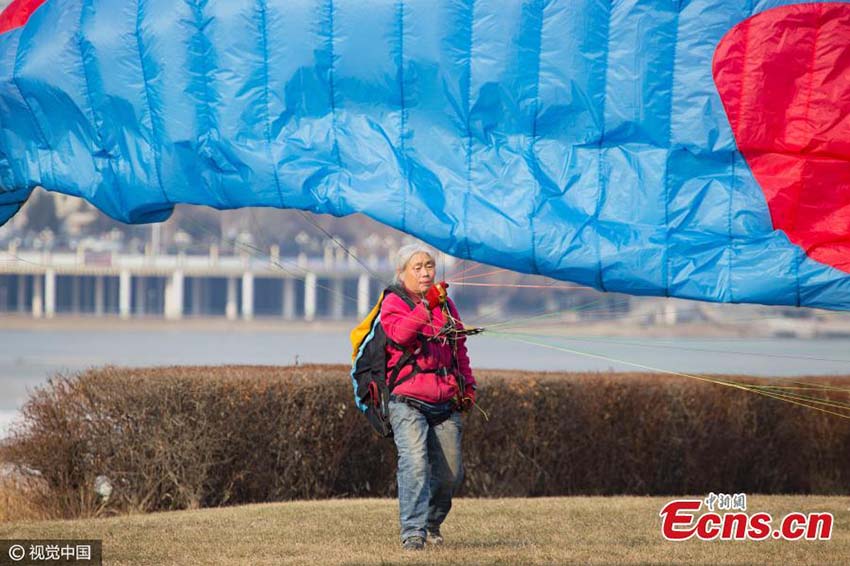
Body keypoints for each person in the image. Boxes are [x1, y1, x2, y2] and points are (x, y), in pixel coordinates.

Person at [380, 243, 477, 551]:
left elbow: (459, 349)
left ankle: (431, 523)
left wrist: (468, 387)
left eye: (429, 266)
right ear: (402, 273)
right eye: (417, 267)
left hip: (445, 402)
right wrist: (427, 306)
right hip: (407, 400)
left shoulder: (446, 305)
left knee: (451, 474)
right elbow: (400, 335)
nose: (425, 272)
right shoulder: (393, 302)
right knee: (415, 465)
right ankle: (413, 533)